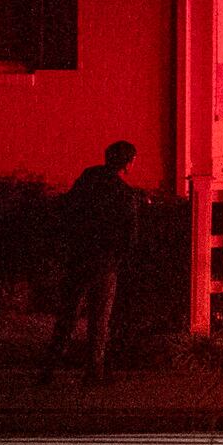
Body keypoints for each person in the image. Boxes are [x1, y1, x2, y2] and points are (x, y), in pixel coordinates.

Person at [41, 141, 141, 384]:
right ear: (127, 163)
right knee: (99, 319)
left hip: (79, 257)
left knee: (68, 314)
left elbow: (67, 209)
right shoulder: (125, 195)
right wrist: (119, 259)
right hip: (104, 263)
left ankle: (49, 369)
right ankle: (94, 371)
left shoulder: (88, 178)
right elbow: (130, 237)